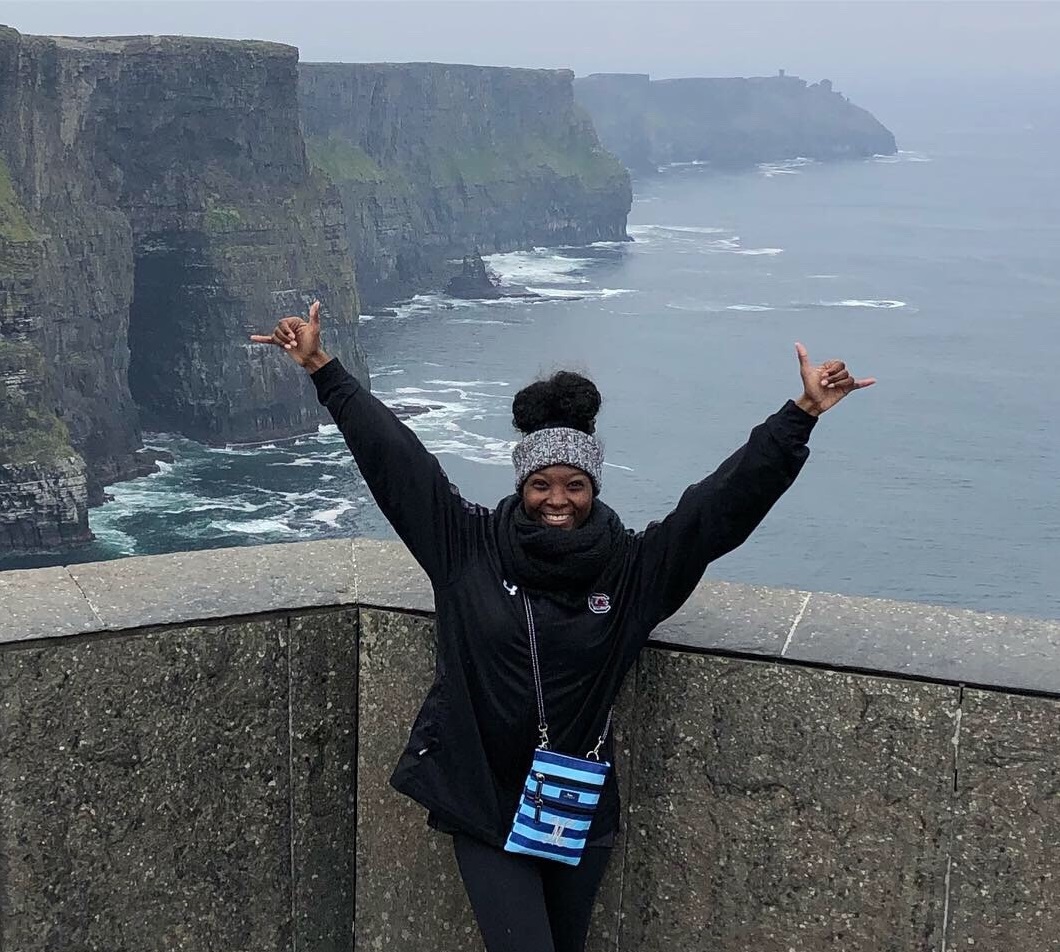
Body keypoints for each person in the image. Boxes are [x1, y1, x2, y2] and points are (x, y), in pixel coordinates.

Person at [251, 300, 874, 952]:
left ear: (594, 484)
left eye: (574, 484)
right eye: (541, 483)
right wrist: (322, 367)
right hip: (486, 801)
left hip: (575, 805)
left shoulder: (634, 571)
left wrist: (798, 416)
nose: (556, 500)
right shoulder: (467, 549)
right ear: (522, 481)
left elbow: (716, 508)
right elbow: (396, 461)